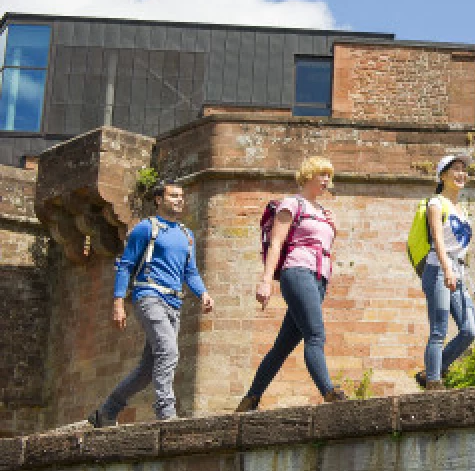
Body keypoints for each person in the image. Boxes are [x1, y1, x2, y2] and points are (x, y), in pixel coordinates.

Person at [89, 180, 214, 426]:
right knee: (168, 351)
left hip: (174, 304)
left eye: (181, 196)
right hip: (149, 296)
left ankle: (107, 411)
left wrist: (203, 294)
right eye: (173, 196)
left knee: (147, 370)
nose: (179, 200)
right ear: (159, 199)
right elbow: (125, 265)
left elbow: (191, 271)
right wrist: (118, 302)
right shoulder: (146, 229)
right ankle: (166, 411)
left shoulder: (187, 236)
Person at [236, 156, 346, 410]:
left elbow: (325, 247)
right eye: (322, 175)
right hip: (297, 272)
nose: (326, 181)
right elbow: (276, 243)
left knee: (283, 345)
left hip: (319, 278)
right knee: (315, 334)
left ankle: (250, 398)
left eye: (329, 176)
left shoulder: (325, 214)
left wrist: (334, 229)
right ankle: (329, 392)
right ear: (308, 176)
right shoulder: (292, 204)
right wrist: (266, 280)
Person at [415, 154, 475, 390]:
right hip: (439, 268)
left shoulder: (461, 209)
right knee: (439, 328)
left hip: (458, 271)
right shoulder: (436, 203)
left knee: (470, 330)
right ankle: (433, 381)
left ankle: (434, 369)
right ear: (443, 176)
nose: (461, 174)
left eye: (464, 170)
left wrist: (456, 270)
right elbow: (438, 240)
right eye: (456, 169)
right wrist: (446, 269)